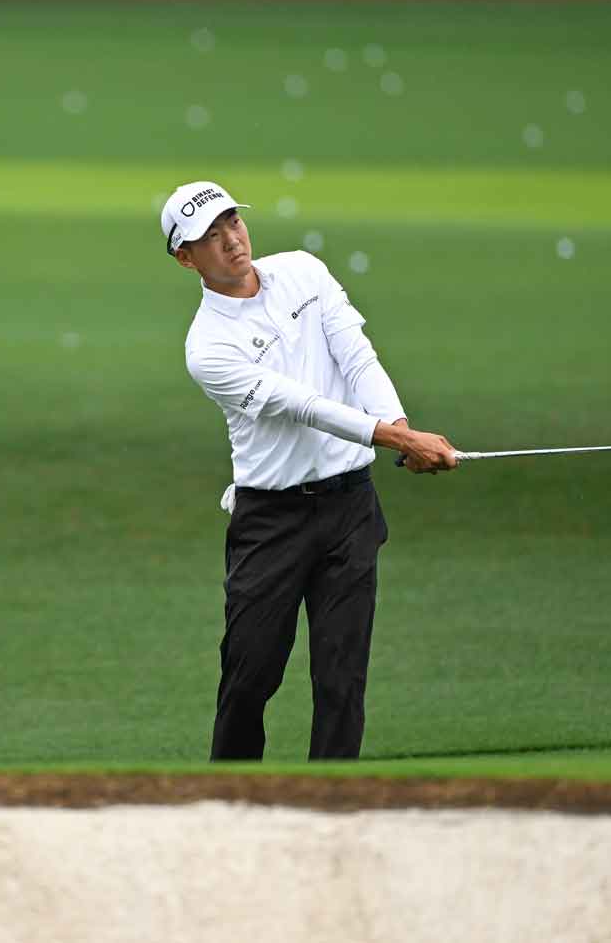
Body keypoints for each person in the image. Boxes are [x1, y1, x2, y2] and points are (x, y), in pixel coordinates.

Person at [163, 180, 457, 761]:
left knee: (341, 681)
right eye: (210, 237)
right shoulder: (207, 347)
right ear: (185, 257)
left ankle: (330, 809)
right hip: (271, 522)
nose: (231, 241)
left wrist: (401, 427)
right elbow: (302, 406)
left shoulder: (303, 271)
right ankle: (228, 806)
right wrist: (400, 438)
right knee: (249, 680)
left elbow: (357, 355)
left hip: (350, 508)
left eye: (233, 224)